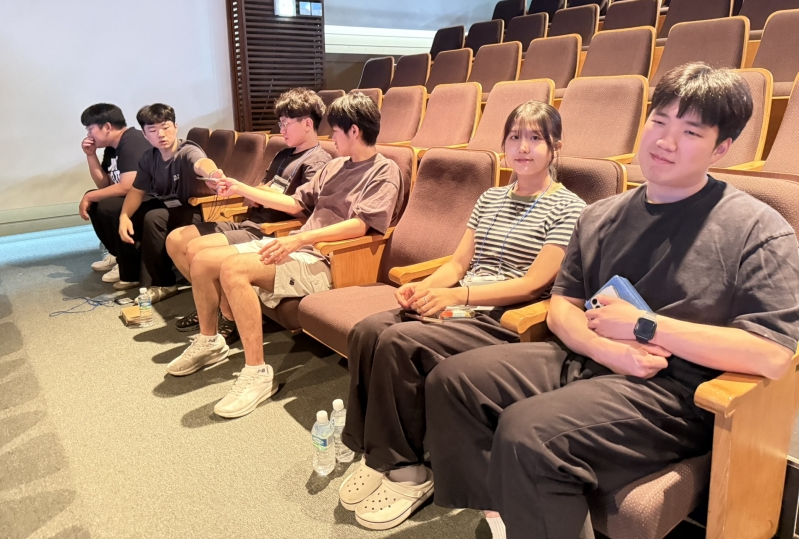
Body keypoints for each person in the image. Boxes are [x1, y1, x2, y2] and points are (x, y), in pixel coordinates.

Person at [423, 63, 799, 539]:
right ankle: (510, 518)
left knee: (528, 433)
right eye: (659, 121)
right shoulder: (600, 215)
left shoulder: (758, 228)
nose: (665, 141)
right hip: (588, 357)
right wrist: (604, 348)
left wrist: (645, 326)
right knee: (453, 380)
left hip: (675, 391)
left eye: (690, 132)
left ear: (721, 148)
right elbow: (563, 307)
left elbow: (773, 354)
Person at [336, 102, 586, 532]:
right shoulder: (490, 197)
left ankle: (409, 471)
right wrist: (425, 288)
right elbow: (456, 264)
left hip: (504, 318)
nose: (523, 148)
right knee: (368, 330)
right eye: (514, 137)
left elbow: (532, 284)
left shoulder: (568, 208)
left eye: (535, 138)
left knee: (398, 343)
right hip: (460, 303)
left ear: (555, 146)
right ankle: (375, 454)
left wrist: (459, 294)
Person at [166, 92, 405, 420]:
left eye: (336, 131)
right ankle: (210, 341)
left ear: (354, 131)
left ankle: (257, 373)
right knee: (203, 261)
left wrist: (302, 238)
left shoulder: (384, 170)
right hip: (300, 246)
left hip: (328, 259)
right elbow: (296, 203)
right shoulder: (335, 166)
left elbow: (362, 225)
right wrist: (241, 188)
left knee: (234, 269)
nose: (331, 137)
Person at [165, 88, 331, 333]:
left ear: (308, 124)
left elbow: (306, 210)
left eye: (286, 123)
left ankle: (228, 316)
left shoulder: (317, 161)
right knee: (175, 240)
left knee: (196, 249)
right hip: (250, 220)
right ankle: (211, 302)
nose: (282, 130)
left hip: (271, 230)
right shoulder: (284, 154)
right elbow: (264, 187)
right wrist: (251, 194)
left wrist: (256, 193)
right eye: (280, 123)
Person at [116, 103, 219, 301]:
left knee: (154, 218)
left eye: (165, 127)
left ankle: (164, 283)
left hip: (196, 210)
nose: (161, 134)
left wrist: (214, 173)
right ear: (145, 135)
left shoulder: (186, 150)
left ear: (176, 127)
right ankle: (133, 274)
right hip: (171, 208)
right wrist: (124, 216)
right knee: (128, 214)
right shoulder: (149, 157)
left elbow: (201, 163)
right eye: (153, 130)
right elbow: (136, 191)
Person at [79, 103, 151, 282]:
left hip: (149, 199)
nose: (88, 135)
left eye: (90, 129)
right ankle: (117, 254)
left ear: (107, 127)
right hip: (131, 198)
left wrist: (89, 196)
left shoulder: (132, 141)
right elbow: (104, 184)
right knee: (97, 201)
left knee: (107, 205)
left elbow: (128, 186)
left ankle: (129, 265)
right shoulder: (112, 147)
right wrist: (90, 155)